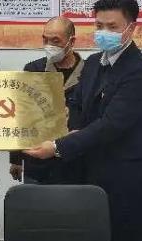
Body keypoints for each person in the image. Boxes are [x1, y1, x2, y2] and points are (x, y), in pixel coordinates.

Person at [24, 0, 142, 241]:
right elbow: (78, 108)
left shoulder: (140, 71)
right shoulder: (95, 64)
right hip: (91, 179)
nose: (103, 32)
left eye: (112, 27)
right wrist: (60, 124)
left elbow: (110, 125)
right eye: (99, 26)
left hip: (126, 184)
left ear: (131, 28)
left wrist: (57, 146)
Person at [9, 16, 85, 184]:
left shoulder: (90, 72)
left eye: (55, 41)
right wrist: (16, 158)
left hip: (77, 163)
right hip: (38, 163)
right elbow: (21, 115)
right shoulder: (33, 70)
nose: (49, 45)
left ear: (71, 42)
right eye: (45, 39)